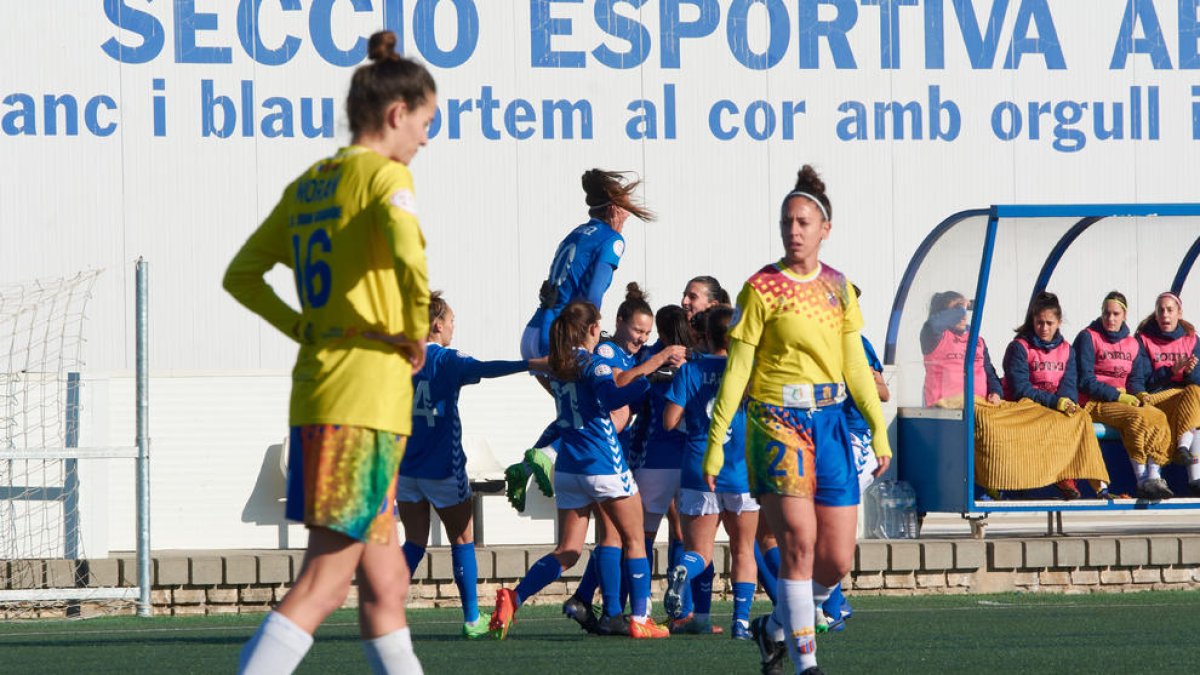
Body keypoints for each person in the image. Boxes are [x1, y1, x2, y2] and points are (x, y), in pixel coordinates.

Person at [223, 31, 434, 675]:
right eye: (427, 123)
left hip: (325, 391)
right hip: (363, 402)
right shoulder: (385, 177)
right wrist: (414, 325)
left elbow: (242, 274)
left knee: (388, 586)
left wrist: (305, 327)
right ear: (397, 115)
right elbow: (407, 253)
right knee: (324, 583)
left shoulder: (311, 185)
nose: (427, 139)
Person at [704, 165, 891, 675]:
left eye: (804, 222)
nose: (794, 230)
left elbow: (855, 364)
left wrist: (877, 428)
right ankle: (807, 664)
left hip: (831, 421)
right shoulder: (760, 288)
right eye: (787, 221)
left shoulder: (839, 288)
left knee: (836, 561)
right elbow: (737, 368)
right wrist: (717, 440)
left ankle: (776, 627)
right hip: (776, 420)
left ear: (824, 228)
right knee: (799, 542)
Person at [490, 302, 671, 640]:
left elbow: (529, 366)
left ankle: (514, 598)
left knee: (569, 550)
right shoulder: (593, 363)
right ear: (592, 330)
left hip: (570, 469)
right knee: (634, 539)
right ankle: (641, 619)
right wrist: (651, 374)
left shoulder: (558, 365)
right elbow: (614, 396)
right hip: (603, 463)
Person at [395, 292, 546, 639]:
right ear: (437, 324)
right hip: (442, 469)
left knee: (414, 542)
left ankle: (382, 613)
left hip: (406, 469)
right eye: (451, 323)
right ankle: (472, 619)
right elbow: (484, 369)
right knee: (462, 539)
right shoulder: (445, 359)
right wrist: (531, 364)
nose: (452, 329)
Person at [508, 171, 657, 509]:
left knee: (574, 409)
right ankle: (545, 455)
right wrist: (592, 333)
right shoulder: (611, 238)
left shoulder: (576, 232)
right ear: (616, 209)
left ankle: (530, 462)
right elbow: (592, 295)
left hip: (536, 329)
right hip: (560, 335)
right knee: (613, 412)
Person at [562, 285, 685, 633]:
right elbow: (620, 388)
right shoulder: (605, 352)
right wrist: (656, 366)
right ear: (618, 323)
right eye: (636, 331)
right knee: (616, 536)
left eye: (646, 333)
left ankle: (593, 603)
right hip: (608, 456)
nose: (641, 339)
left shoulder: (631, 353)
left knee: (615, 535)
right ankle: (616, 612)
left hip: (616, 454)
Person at [663, 306, 759, 639]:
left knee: (699, 553)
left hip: (698, 467)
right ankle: (741, 623)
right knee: (743, 549)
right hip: (739, 469)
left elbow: (669, 421)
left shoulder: (690, 371)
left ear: (701, 336)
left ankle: (683, 573)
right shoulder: (747, 371)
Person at [1000, 291, 1110, 500]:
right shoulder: (1020, 347)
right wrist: (1055, 402)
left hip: (1054, 404)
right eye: (1039, 322)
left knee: (1080, 417)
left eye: (1049, 323)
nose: (1044, 328)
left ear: (1058, 322)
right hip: (1026, 404)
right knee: (1051, 420)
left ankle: (1098, 484)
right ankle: (1060, 477)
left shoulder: (1066, 349)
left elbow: (1069, 384)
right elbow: (1020, 388)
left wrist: (1067, 402)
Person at [1074, 291, 1174, 499]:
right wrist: (1117, 396)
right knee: (1136, 418)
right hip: (1095, 401)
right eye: (1106, 313)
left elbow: (1135, 380)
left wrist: (1140, 394)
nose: (1110, 319)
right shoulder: (1088, 337)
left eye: (1115, 314)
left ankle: (1154, 475)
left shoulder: (1131, 343)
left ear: (1124, 315)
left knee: (1158, 416)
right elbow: (1085, 380)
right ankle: (1142, 479)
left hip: (1124, 400)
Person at [1131, 292, 1200, 496]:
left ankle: (1194, 473)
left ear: (1179, 312)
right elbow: (1141, 381)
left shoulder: (1191, 339)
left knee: (1195, 395)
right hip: (1157, 397)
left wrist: (1189, 372)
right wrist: (1170, 371)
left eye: (1170, 310)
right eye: (1161, 310)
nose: (1165, 315)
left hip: (1185, 399)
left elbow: (1198, 380)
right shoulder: (1144, 339)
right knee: (1193, 409)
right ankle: (1183, 454)